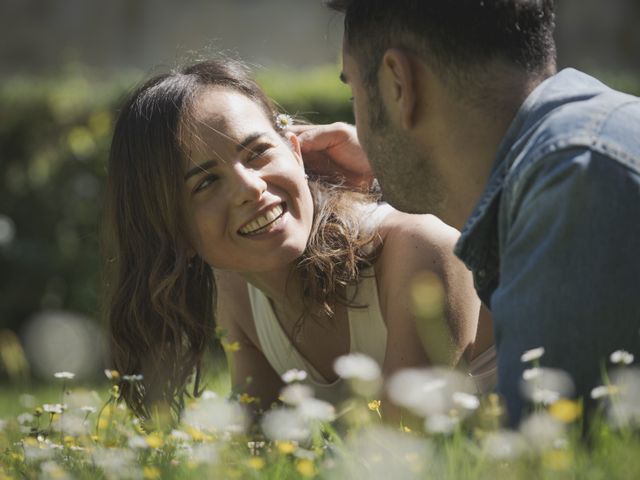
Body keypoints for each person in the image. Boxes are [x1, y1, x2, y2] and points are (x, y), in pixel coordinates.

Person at [295, 0, 640, 424]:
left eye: (355, 96)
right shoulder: (577, 150)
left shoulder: (576, 186)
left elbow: (560, 456)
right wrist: (386, 161)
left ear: (397, 83)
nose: (358, 126)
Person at [104, 58, 495, 420]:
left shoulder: (419, 248)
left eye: (257, 152)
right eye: (206, 181)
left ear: (295, 151)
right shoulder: (238, 291)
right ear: (172, 231)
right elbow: (257, 441)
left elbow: (403, 443)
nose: (250, 188)